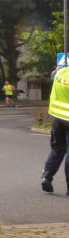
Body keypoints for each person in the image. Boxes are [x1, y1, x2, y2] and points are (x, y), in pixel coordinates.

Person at [41, 65, 69, 195]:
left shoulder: (60, 73)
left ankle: (46, 177)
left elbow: (53, 74)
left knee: (57, 148)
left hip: (57, 118)